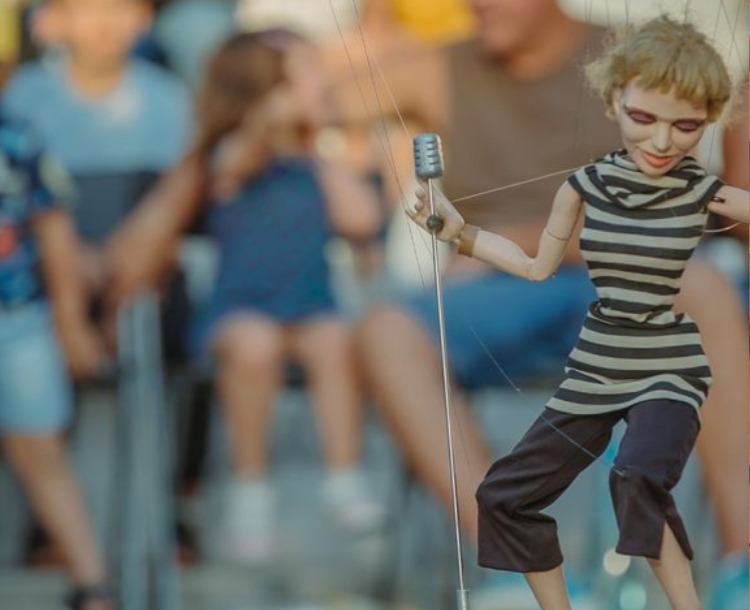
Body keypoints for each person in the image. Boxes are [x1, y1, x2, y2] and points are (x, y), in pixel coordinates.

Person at [406, 15, 747, 610]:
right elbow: (536, 263)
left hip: (666, 364)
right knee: (506, 497)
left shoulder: (694, 187)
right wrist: (462, 235)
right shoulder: (582, 186)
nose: (663, 142)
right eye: (645, 120)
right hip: (596, 366)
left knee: (637, 480)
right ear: (617, 103)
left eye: (686, 127)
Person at [172, 29, 385, 562]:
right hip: (239, 310)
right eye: (307, 76)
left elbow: (362, 218)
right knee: (255, 346)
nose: (321, 85)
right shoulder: (233, 152)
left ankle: (343, 475)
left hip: (311, 308)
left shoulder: (316, 161)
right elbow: (228, 169)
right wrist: (270, 122)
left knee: (336, 340)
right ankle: (250, 487)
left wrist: (315, 148)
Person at [0, 105, 114, 610]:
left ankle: (92, 585)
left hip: (19, 315)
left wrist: (70, 323)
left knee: (42, 448)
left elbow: (54, 228)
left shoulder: (15, 134)